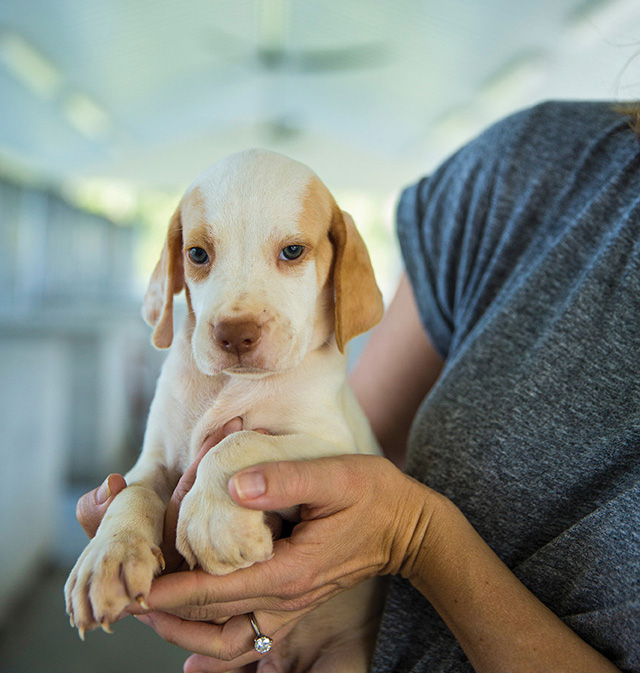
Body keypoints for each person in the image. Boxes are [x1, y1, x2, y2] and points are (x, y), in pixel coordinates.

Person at [77, 100, 640, 672]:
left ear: (335, 262)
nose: (236, 315)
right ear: (174, 266)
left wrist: (231, 465)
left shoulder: (314, 372)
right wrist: (126, 527)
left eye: (290, 252)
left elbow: (330, 456)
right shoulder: (544, 156)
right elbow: (157, 472)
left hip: (352, 646)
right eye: (201, 255)